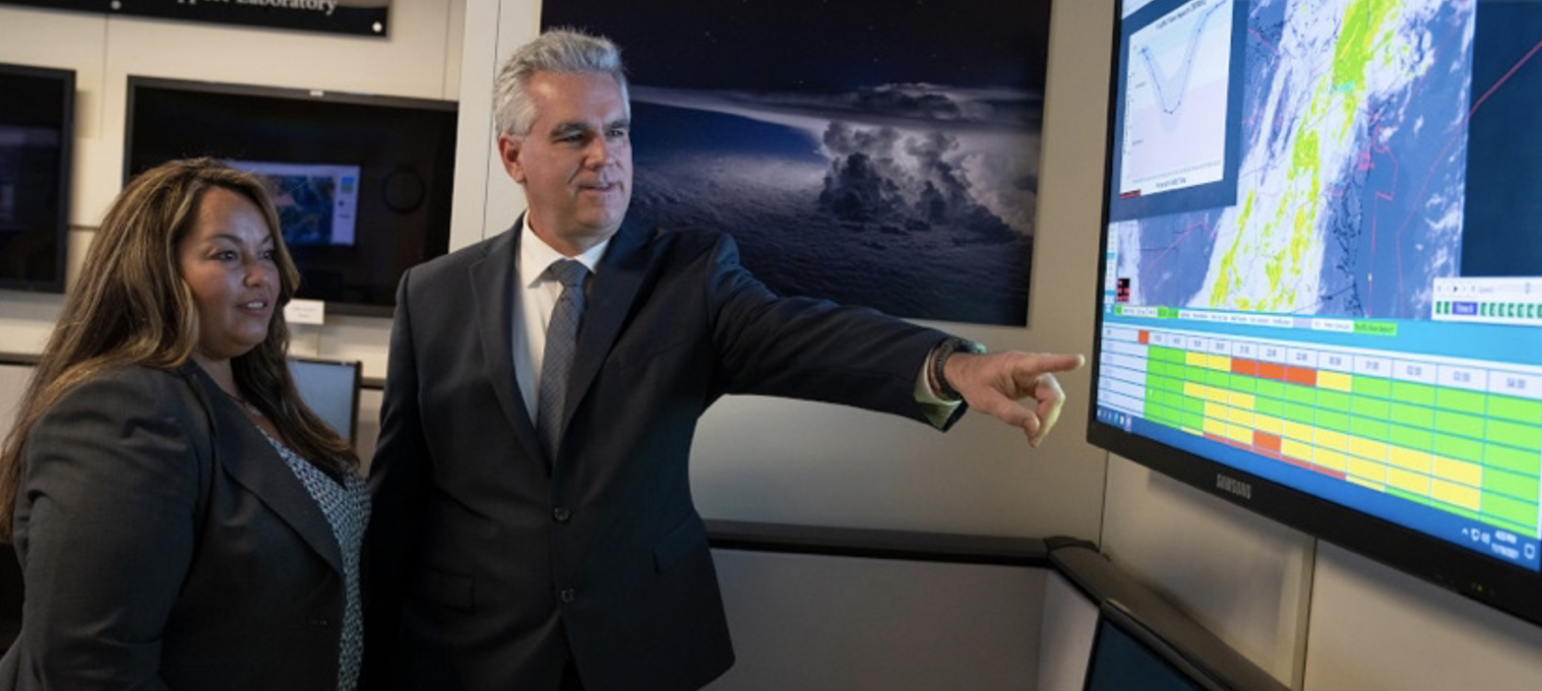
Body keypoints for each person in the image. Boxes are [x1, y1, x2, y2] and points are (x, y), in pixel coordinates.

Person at [361, 28, 1085, 691]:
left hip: (639, 648)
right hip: (470, 655)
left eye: (618, 132)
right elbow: (397, 500)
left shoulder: (691, 276)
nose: (604, 156)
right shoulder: (433, 296)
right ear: (512, 154)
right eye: (574, 135)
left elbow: (805, 336)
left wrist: (950, 365)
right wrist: (370, 662)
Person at [0, 158, 369, 690]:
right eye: (226, 254)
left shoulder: (261, 398)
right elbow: (89, 667)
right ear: (152, 272)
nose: (261, 274)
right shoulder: (123, 408)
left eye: (266, 252)